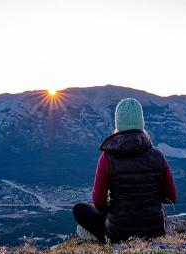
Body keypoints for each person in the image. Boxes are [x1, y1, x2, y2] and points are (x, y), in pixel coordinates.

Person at [73, 98, 177, 243]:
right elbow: (171, 197)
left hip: (119, 233)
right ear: (141, 123)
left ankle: (101, 239)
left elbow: (98, 201)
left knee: (79, 209)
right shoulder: (157, 155)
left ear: (118, 124)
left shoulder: (107, 157)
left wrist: (114, 211)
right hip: (155, 231)